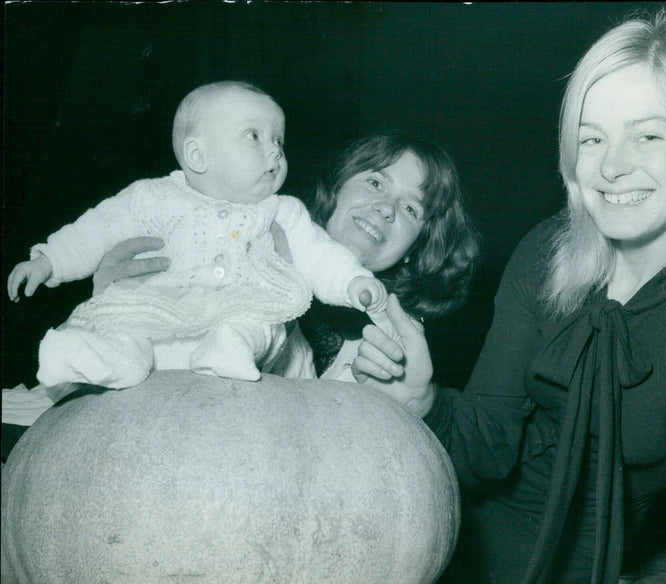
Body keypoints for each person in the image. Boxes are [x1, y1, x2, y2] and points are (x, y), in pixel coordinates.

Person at [354, 8, 666, 584]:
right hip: (444, 526)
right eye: (591, 139)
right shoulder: (550, 252)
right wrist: (426, 403)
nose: (611, 166)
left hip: (571, 578)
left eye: (648, 136)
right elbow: (490, 441)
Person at [0, 129, 480, 584]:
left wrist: (410, 404)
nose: (386, 209)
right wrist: (107, 294)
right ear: (335, 186)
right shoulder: (232, 228)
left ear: (419, 247)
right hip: (99, 453)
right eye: (376, 183)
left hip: (204, 520)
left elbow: (346, 493)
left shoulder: (386, 347)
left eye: (412, 209)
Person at [6, 80, 386, 389]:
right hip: (159, 319)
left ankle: (230, 347)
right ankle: (94, 356)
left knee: (262, 321)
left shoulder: (281, 210)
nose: (274, 152)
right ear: (198, 156)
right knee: (125, 330)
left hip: (236, 327)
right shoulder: (152, 197)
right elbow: (95, 229)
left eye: (279, 141)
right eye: (255, 136)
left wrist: (352, 281)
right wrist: (49, 260)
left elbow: (318, 254)